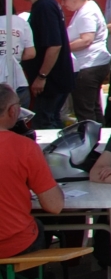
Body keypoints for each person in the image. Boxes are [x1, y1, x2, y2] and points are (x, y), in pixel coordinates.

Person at [0, 85, 61, 262]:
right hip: (13, 242)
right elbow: (54, 206)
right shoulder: (24, 147)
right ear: (13, 111)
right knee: (38, 226)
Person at [15, 0, 74, 124]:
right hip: (54, 79)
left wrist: (42, 76)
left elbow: (54, 45)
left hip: (52, 81)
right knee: (50, 119)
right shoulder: (45, 4)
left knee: (44, 122)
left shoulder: (44, 7)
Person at [58, 0, 109, 123]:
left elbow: (86, 39)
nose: (63, 3)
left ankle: (91, 142)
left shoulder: (87, 12)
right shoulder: (85, 9)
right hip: (91, 64)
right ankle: (99, 137)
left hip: (89, 65)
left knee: (85, 111)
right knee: (93, 108)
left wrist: (62, 49)